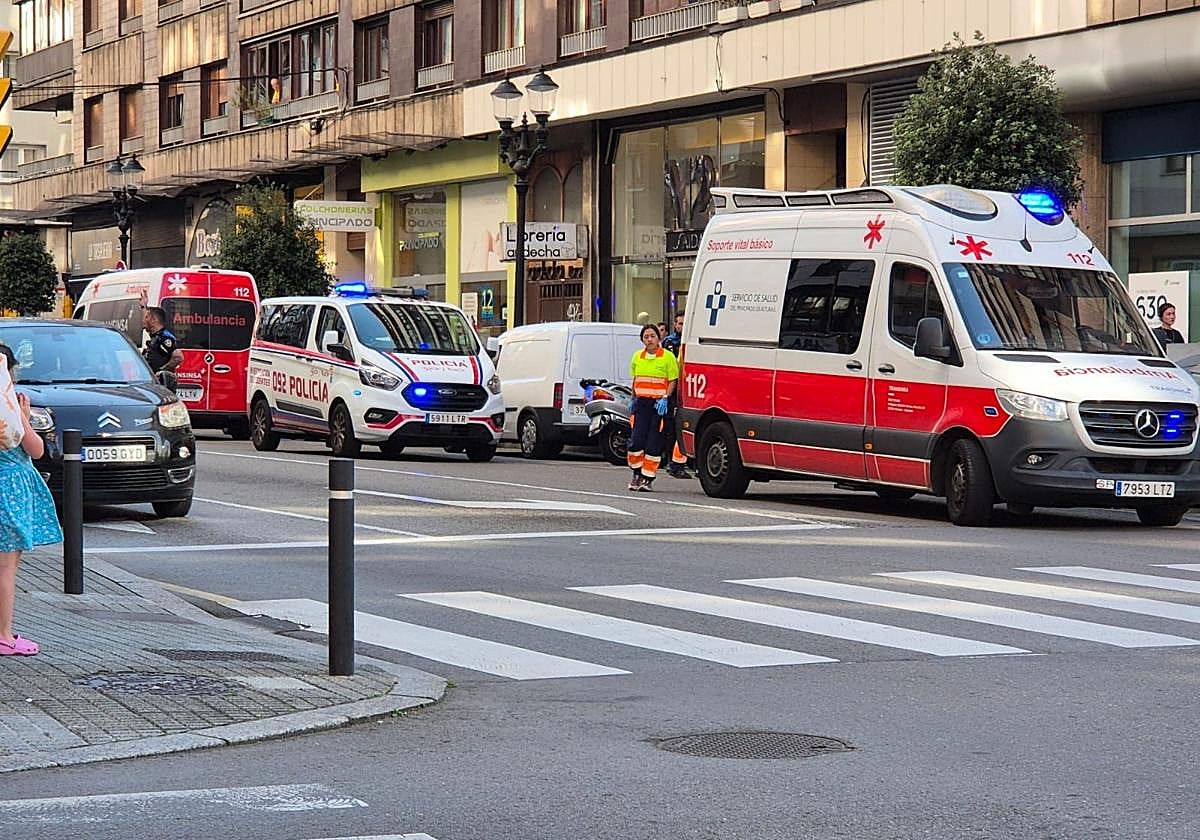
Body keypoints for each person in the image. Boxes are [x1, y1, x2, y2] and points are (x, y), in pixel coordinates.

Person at [0, 344, 63, 656]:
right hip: (9, 492)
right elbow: (36, 449)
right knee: (6, 567)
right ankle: (4, 634)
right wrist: (24, 417)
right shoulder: (8, 408)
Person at [626, 324, 678, 492]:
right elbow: (635, 379)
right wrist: (633, 398)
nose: (649, 339)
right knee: (636, 441)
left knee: (653, 443)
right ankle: (636, 473)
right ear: (642, 339)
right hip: (641, 404)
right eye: (646, 336)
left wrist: (665, 398)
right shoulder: (637, 357)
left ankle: (647, 478)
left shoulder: (668, 357)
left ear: (659, 338)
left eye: (652, 336)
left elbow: (672, 380)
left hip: (658, 405)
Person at [139, 291, 183, 373]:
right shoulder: (156, 335)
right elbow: (147, 321)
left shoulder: (165, 337)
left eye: (146, 318)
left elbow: (178, 357)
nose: (143, 320)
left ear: (154, 320)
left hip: (163, 383)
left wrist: (162, 371)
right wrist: (143, 306)